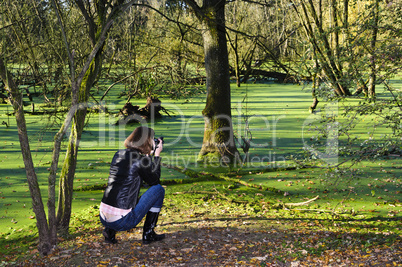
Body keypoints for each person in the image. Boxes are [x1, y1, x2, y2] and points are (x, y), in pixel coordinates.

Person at [99, 126, 165, 244]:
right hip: (123, 221)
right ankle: (148, 233)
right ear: (147, 141)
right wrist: (157, 156)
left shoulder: (118, 154)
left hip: (103, 217)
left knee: (119, 189)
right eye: (152, 139)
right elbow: (154, 181)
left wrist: (147, 156)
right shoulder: (140, 160)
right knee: (159, 190)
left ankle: (109, 231)